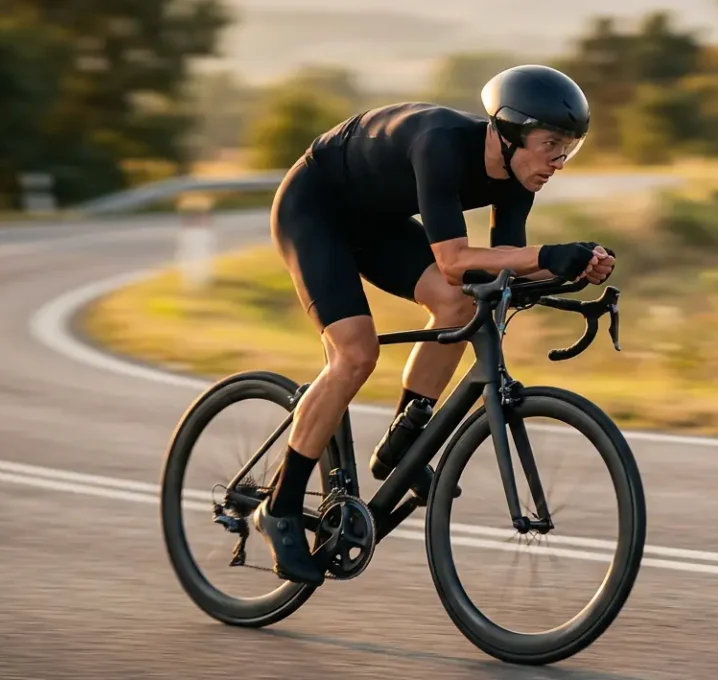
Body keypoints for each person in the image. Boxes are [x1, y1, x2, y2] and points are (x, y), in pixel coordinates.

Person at [253, 64, 617, 585]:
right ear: (509, 132)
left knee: (459, 306)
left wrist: (576, 266)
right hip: (314, 210)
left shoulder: (520, 177)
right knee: (355, 353)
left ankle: (402, 443)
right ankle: (280, 506)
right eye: (551, 144)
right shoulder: (440, 144)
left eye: (570, 148)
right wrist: (547, 254)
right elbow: (453, 261)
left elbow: (505, 264)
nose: (559, 161)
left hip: (377, 224)